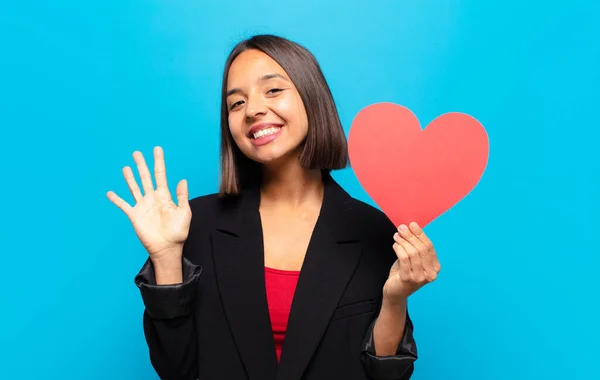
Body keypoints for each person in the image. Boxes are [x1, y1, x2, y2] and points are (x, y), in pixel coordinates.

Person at [107, 34, 440, 380]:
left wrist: (395, 298)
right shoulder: (194, 224)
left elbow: (384, 376)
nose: (252, 110)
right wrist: (166, 259)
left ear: (312, 97)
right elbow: (176, 369)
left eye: (273, 90)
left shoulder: (372, 230)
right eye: (236, 103)